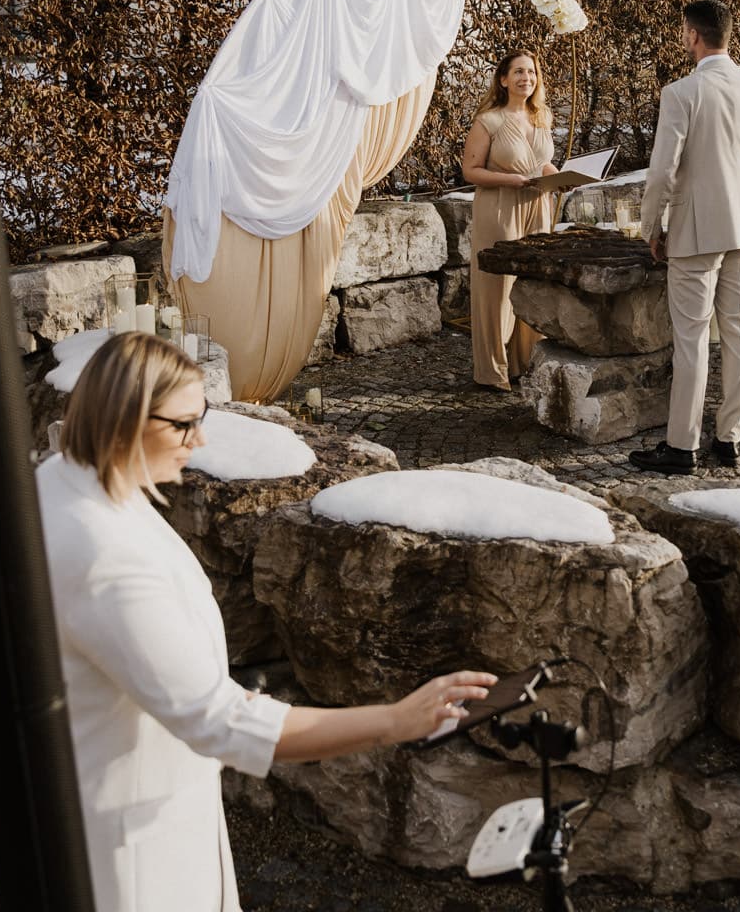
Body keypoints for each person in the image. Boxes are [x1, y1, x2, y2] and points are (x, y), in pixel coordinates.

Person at [38, 332, 494, 912]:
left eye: (202, 416)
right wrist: (394, 721)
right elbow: (221, 722)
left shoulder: (62, 480)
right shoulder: (105, 558)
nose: (199, 440)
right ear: (125, 422)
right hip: (134, 845)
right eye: (183, 424)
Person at [630, 0, 740, 475]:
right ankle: (729, 440)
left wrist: (651, 228)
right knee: (738, 331)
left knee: (692, 338)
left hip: (696, 231)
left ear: (693, 36)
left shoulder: (681, 92)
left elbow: (661, 172)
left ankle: (681, 447)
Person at [461, 51, 558, 390]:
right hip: (500, 207)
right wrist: (510, 181)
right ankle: (492, 370)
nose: (526, 78)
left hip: (537, 207)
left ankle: (526, 363)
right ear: (503, 79)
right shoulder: (489, 120)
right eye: (518, 72)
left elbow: (540, 164)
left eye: (531, 72)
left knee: (533, 284)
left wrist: (560, 176)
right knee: (497, 289)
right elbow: (470, 170)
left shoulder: (542, 116)